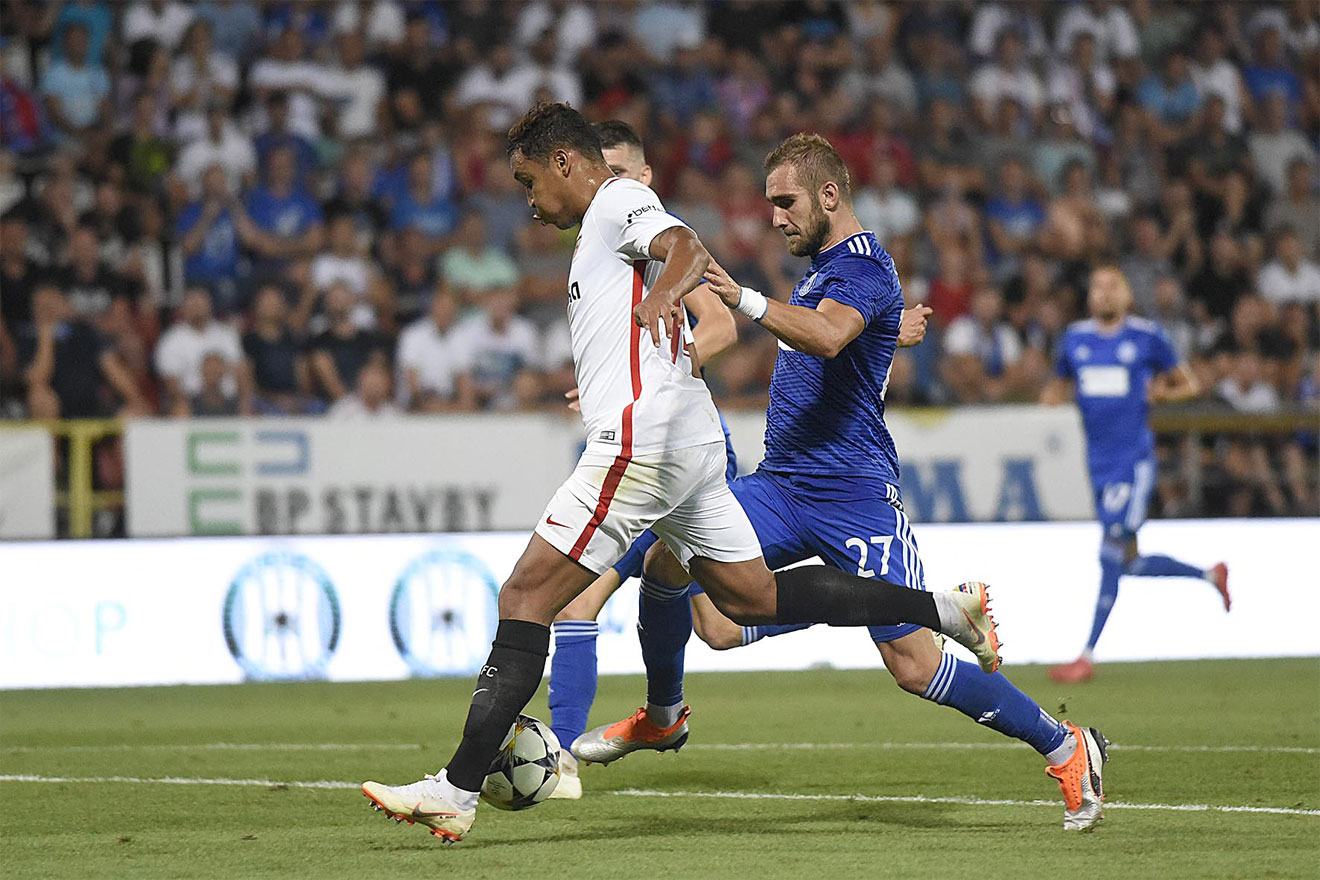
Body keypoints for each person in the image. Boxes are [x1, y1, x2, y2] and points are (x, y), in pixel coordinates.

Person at [360, 103, 999, 844]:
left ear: (566, 163)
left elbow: (686, 246)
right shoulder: (601, 224)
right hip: (688, 440)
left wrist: (669, 288)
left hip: (644, 442)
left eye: (531, 183)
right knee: (751, 599)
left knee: (527, 594)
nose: (530, 205)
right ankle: (944, 611)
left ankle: (456, 789)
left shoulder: (616, 201)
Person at [578, 133, 1110, 832]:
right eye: (770, 203)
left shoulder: (861, 264)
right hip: (783, 484)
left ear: (830, 195)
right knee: (679, 574)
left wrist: (743, 297)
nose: (774, 217)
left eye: (785, 201)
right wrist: (893, 331)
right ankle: (664, 716)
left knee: (915, 667)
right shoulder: (830, 267)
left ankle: (1068, 745)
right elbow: (852, 338)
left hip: (853, 497)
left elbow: (828, 337)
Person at [1042, 266, 1231, 685]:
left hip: (1133, 461)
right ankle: (1209, 575)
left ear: (1127, 294)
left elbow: (1191, 384)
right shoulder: (1074, 339)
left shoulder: (1146, 336)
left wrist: (1162, 391)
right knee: (1127, 562)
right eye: (1097, 287)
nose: (1104, 294)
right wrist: (1050, 402)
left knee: (1109, 550)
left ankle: (1086, 655)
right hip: (1098, 464)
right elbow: (1057, 385)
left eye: (1112, 287)